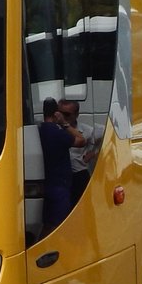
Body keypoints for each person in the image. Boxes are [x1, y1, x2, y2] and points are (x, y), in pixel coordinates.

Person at [39, 96, 84, 233]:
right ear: (56, 114)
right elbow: (81, 140)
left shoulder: (38, 130)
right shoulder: (58, 133)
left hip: (45, 183)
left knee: (47, 224)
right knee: (59, 225)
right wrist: (64, 123)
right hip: (60, 186)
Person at [58, 98, 99, 205]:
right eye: (59, 113)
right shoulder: (55, 130)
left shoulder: (88, 131)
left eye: (66, 114)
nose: (62, 117)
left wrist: (94, 153)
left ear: (76, 115)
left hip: (78, 175)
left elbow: (103, 141)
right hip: (61, 176)